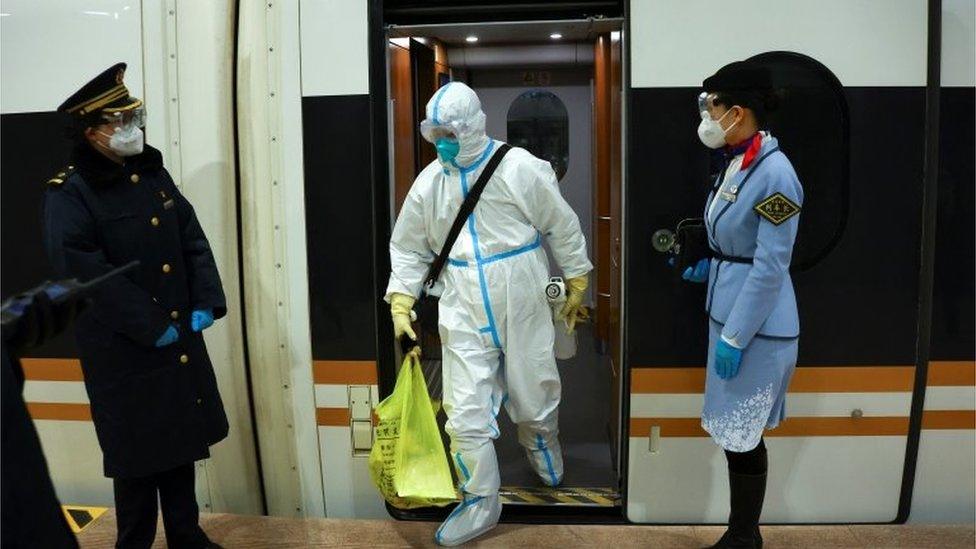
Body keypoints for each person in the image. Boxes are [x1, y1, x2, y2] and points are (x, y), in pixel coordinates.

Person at [385, 82, 592, 546]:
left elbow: (560, 223)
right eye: (434, 134)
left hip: (520, 291)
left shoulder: (519, 168)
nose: (442, 143)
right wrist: (402, 298)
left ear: (474, 127)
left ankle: (542, 445)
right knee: (464, 408)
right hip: (460, 298)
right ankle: (480, 499)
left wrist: (577, 276)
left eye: (450, 133)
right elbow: (409, 248)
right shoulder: (428, 184)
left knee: (533, 387)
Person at [42, 63, 227, 549]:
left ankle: (187, 535)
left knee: (180, 444)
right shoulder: (71, 192)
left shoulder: (150, 171)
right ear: (91, 132)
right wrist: (149, 324)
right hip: (125, 349)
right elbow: (83, 270)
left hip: (176, 336)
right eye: (118, 123)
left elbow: (190, 237)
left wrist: (206, 300)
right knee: (138, 458)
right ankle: (135, 542)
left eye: (133, 117)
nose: (131, 130)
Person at [683, 61, 802, 549]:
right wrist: (713, 267)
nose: (706, 115)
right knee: (736, 435)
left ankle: (744, 536)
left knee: (744, 436)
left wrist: (734, 336)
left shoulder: (776, 173)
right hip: (730, 317)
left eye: (711, 106)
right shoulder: (739, 160)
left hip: (756, 331)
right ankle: (741, 534)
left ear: (737, 111)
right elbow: (736, 239)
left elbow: (772, 266)